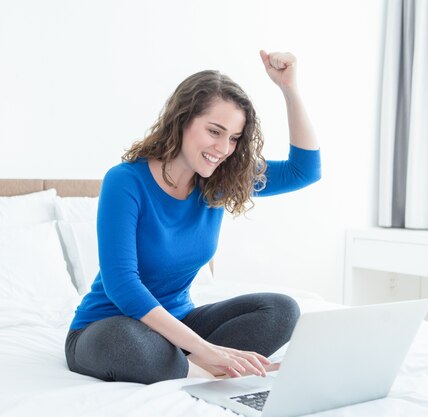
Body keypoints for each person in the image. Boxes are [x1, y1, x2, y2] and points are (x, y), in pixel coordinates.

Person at [65, 50, 321, 384]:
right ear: (183, 119)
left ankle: (183, 363)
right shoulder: (126, 180)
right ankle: (197, 366)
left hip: (179, 328)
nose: (223, 148)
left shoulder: (221, 178)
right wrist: (205, 349)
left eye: (233, 138)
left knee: (281, 311)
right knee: (126, 342)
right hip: (107, 328)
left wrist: (289, 89)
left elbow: (305, 170)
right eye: (214, 131)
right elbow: (122, 285)